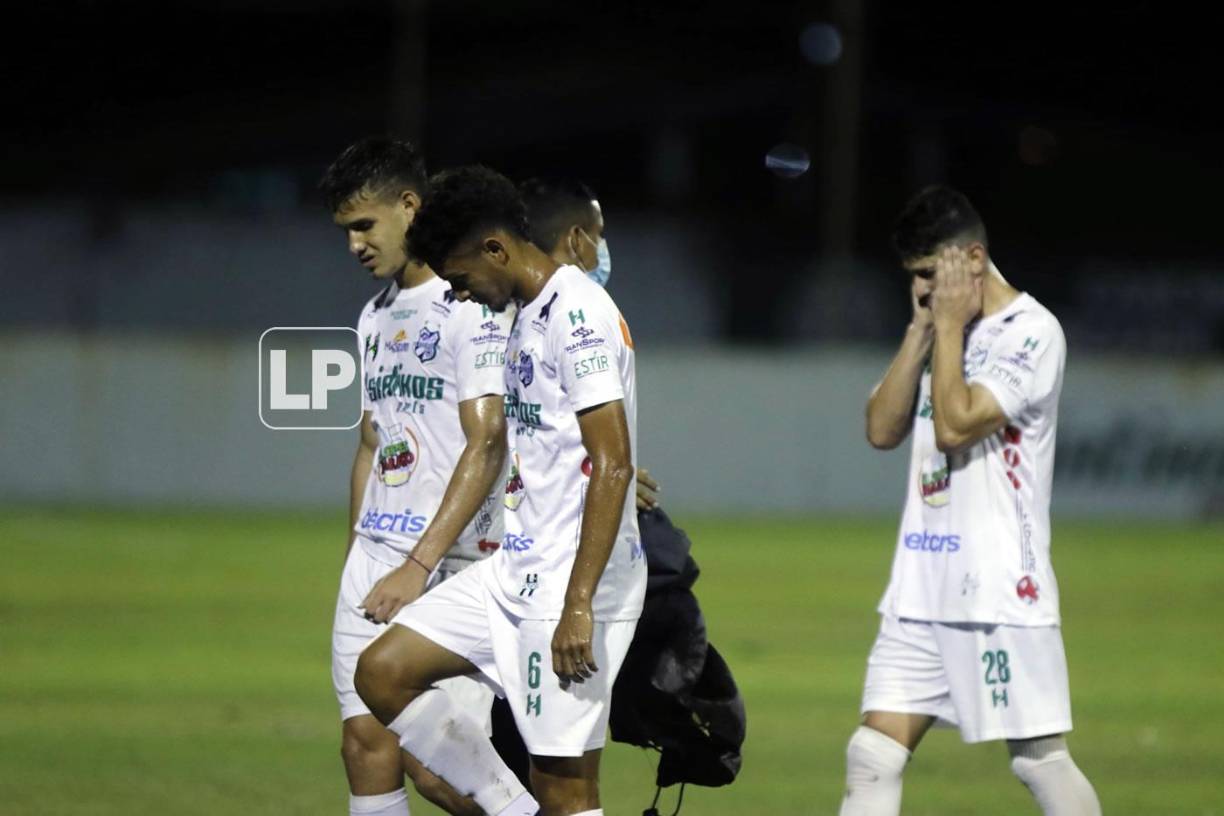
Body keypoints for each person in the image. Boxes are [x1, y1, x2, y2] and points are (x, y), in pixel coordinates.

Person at [354, 165, 644, 816]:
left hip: (571, 586)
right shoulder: (523, 317)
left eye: (458, 279)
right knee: (382, 672)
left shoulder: (576, 313)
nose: (457, 297)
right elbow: (559, 441)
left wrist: (578, 604)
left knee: (566, 790)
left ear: (496, 249)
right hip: (514, 572)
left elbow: (611, 462)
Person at [840, 186, 1101, 816]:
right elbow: (881, 429)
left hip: (998, 590)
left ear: (973, 259)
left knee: (1039, 761)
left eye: (931, 274)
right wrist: (921, 330)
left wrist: (950, 330)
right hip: (920, 584)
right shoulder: (939, 329)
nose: (925, 288)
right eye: (915, 279)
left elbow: (956, 424)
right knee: (872, 755)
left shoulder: (1032, 334)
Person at [320, 138, 516, 816]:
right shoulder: (373, 318)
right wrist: (356, 560)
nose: (354, 245)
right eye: (346, 231)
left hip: (448, 565)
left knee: (440, 772)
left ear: (410, 206)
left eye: (364, 225)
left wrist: (415, 564)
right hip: (376, 562)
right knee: (363, 745)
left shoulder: (471, 304)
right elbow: (372, 442)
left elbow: (488, 441)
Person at [516, 177, 660, 511]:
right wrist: (605, 476)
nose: (604, 245)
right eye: (600, 233)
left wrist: (604, 475)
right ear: (578, 240)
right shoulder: (578, 309)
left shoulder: (552, 310)